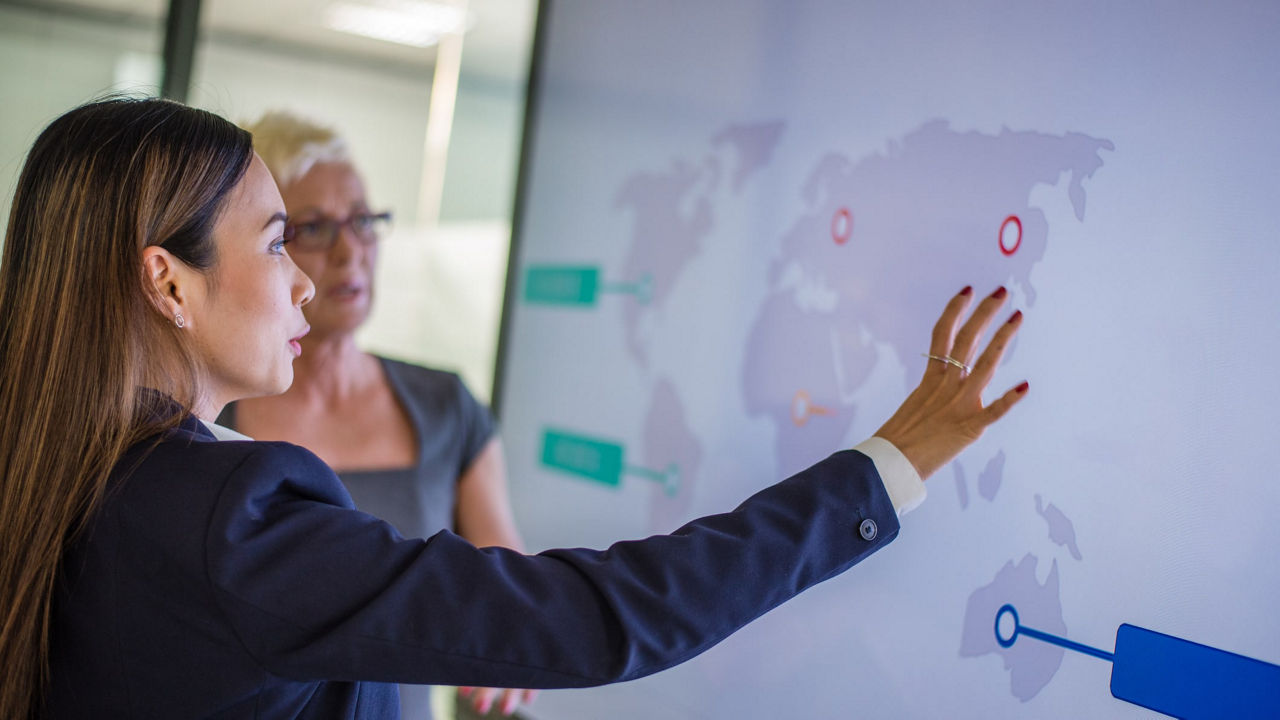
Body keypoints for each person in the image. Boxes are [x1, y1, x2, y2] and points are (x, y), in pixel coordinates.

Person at [0, 97, 1028, 719]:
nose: (310, 279)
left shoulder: (69, 471)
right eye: (280, 242)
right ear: (168, 282)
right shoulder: (228, 512)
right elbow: (592, 620)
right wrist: (882, 469)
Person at [214, 111, 531, 718]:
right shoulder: (211, 409)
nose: (349, 250)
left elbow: (505, 586)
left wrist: (512, 638)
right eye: (312, 228)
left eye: (362, 220)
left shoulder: (447, 407)